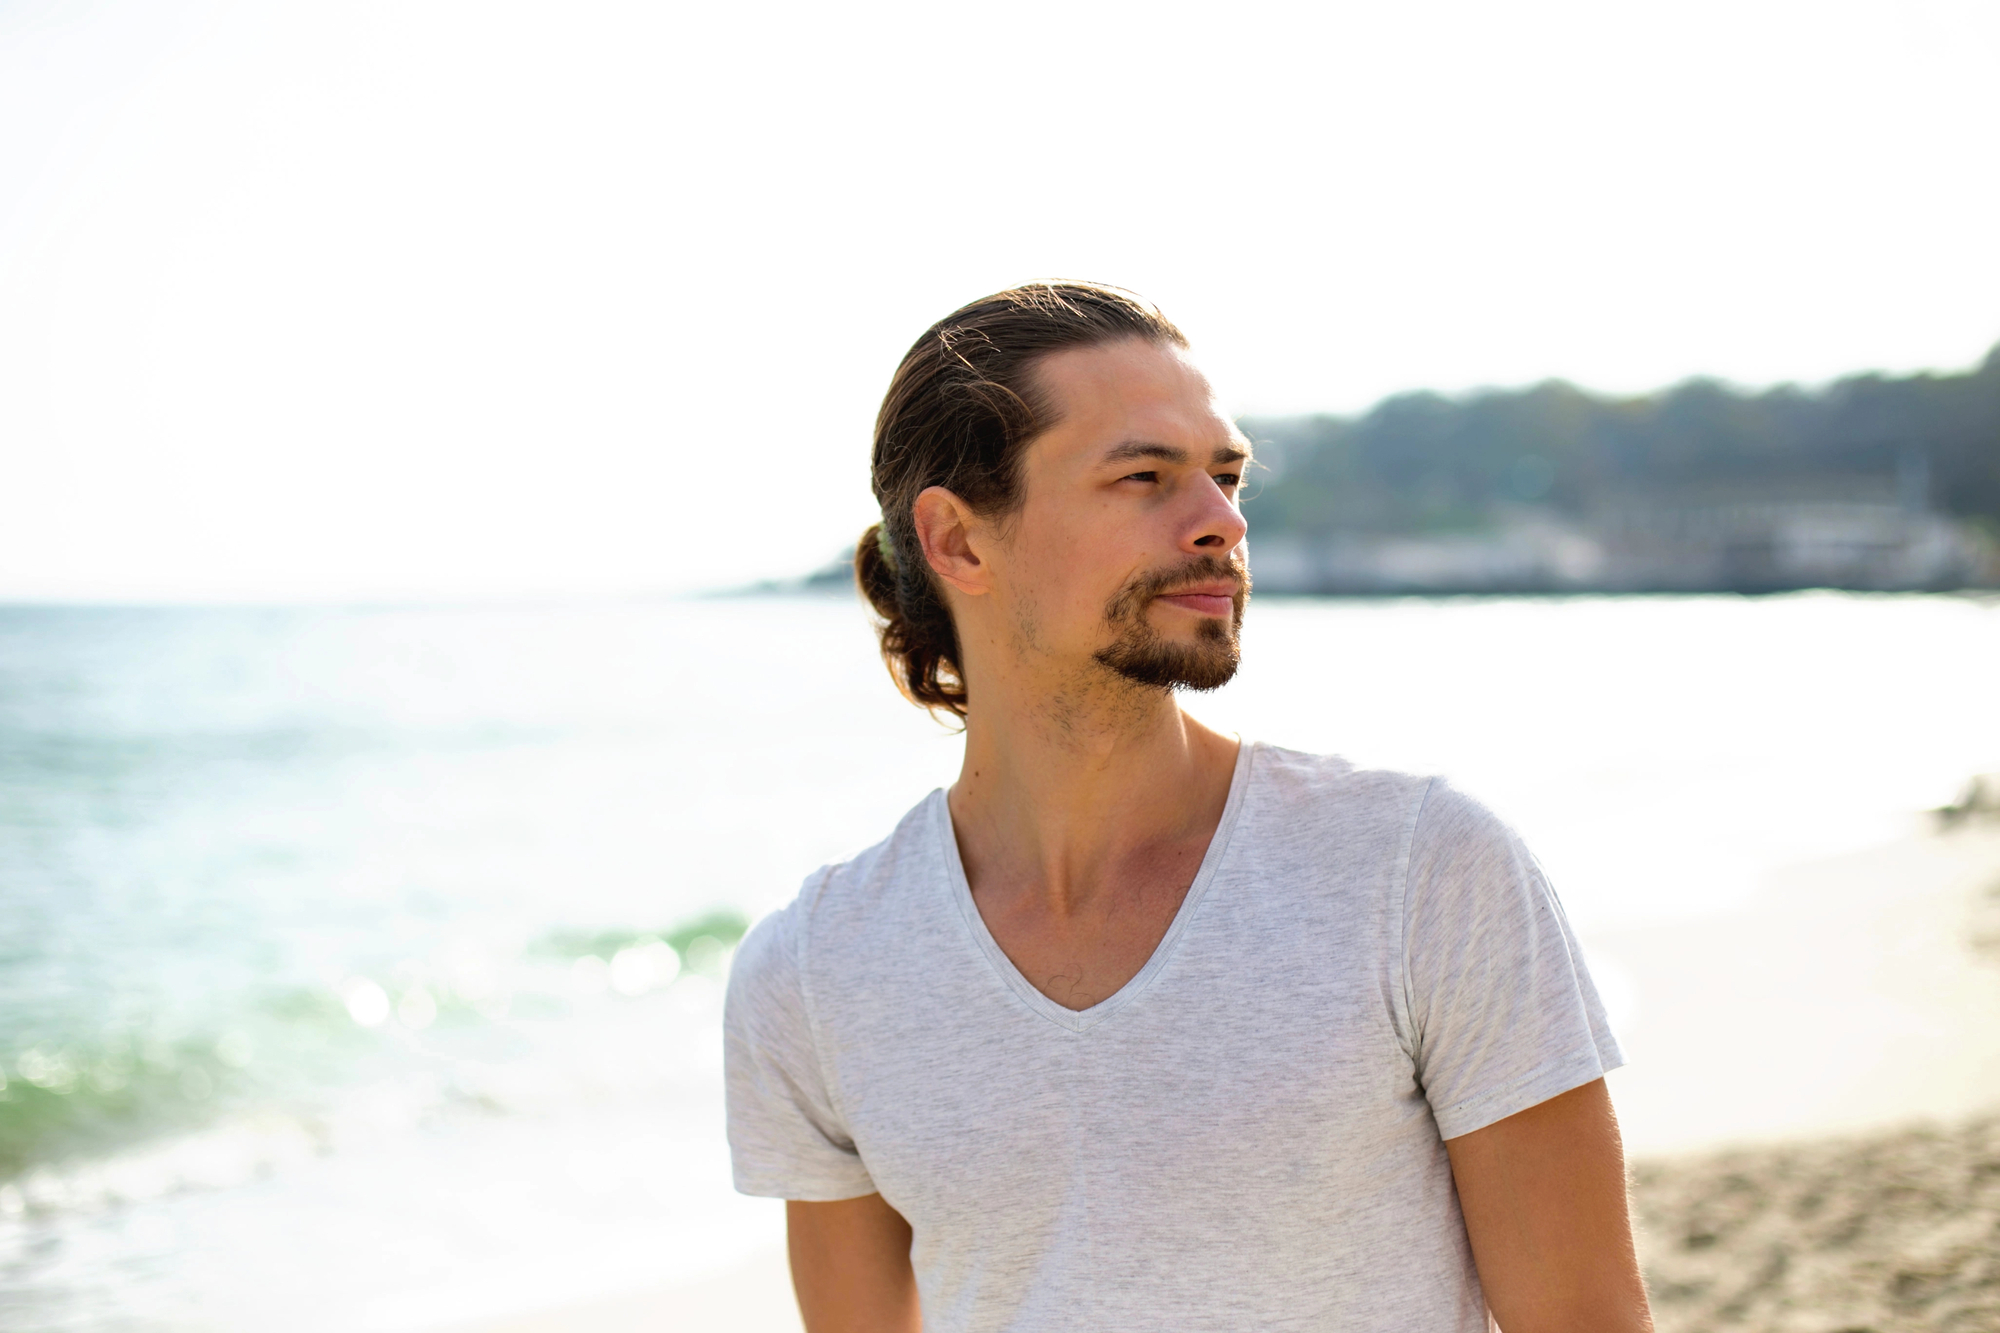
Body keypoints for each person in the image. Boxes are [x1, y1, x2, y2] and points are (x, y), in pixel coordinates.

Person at [724, 282, 1653, 1332]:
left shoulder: (1419, 871)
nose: (1220, 522)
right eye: (1144, 477)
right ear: (958, 542)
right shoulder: (812, 971)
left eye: (1224, 476)